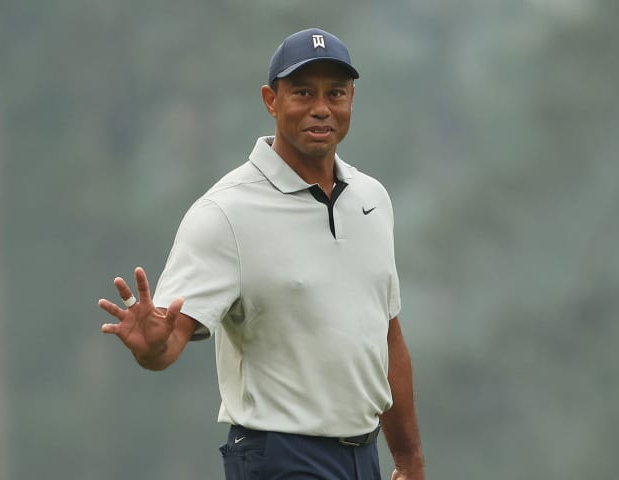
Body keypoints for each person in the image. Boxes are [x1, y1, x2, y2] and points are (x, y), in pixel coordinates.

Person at [98, 27, 425, 480]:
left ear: (352, 98)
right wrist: (151, 348)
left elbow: (387, 336)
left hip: (362, 457)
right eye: (303, 93)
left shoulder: (372, 199)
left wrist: (408, 460)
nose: (321, 109)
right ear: (271, 100)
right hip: (279, 457)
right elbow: (169, 340)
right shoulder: (225, 213)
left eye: (336, 93)